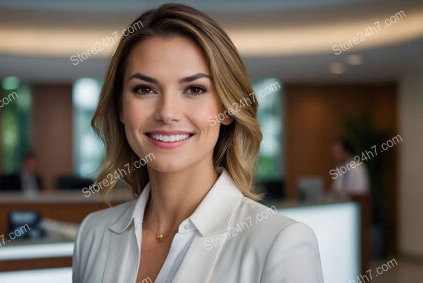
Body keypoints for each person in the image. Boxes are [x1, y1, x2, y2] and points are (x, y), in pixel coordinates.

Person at [73, 4, 323, 283]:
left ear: (228, 108)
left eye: (194, 89)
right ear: (120, 107)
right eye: (145, 89)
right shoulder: (92, 234)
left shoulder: (280, 244)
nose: (167, 113)